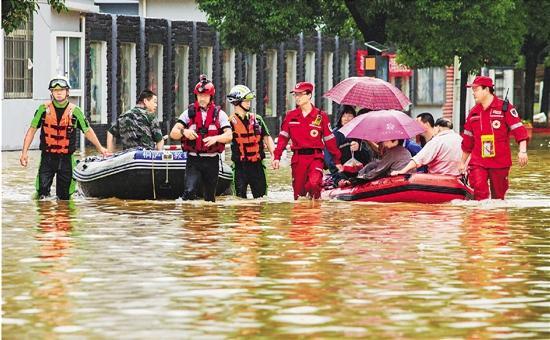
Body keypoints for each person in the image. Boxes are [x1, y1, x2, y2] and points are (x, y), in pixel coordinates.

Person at [19, 76, 108, 200]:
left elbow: (87, 131)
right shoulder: (43, 110)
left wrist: (100, 148)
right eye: (55, 90)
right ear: (52, 93)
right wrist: (24, 153)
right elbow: (32, 130)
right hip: (47, 158)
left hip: (66, 159)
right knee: (42, 193)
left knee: (64, 197)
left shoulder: (75, 111)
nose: (59, 93)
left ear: (67, 92)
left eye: (62, 90)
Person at [460, 75, 529, 200]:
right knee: (479, 192)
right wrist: (462, 162)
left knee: (498, 197)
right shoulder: (473, 112)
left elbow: (519, 130)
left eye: (476, 89)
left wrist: (522, 151)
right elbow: (468, 140)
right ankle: (479, 218)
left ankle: (496, 219)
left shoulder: (505, 108)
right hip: (478, 161)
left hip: (500, 161)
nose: (473, 93)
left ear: (486, 90)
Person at [272, 81, 343, 199]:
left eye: (300, 94)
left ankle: (315, 213)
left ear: (309, 95)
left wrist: (337, 160)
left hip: (315, 158)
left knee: (314, 184)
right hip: (298, 160)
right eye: (295, 95)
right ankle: (302, 216)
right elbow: (283, 138)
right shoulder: (290, 116)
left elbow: (329, 141)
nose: (297, 97)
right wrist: (276, 157)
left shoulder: (321, 116)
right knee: (299, 195)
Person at [169, 75, 232, 202]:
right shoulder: (188, 113)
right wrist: (184, 131)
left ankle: (207, 220)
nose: (202, 99)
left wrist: (216, 138)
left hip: (212, 161)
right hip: (194, 160)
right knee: (189, 192)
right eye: (199, 96)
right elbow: (173, 133)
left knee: (209, 198)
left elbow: (229, 135)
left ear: (210, 97)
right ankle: (189, 218)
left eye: (205, 96)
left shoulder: (220, 114)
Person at [227, 84, 275, 198]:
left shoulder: (257, 119)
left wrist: (275, 155)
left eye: (249, 100)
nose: (249, 103)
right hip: (239, 167)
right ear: (237, 102)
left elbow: (267, 138)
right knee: (239, 201)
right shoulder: (229, 122)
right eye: (246, 100)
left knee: (261, 199)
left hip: (257, 166)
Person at [391, 118, 463, 176]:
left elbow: (419, 159)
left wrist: (402, 171)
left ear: (437, 127)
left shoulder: (437, 140)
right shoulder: (460, 139)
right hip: (457, 181)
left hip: (439, 181)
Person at [325, 105, 374, 187]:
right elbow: (329, 158)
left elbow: (368, 158)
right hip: (341, 173)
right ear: (340, 118)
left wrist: (359, 148)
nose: (347, 118)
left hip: (359, 173)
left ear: (354, 118)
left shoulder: (359, 134)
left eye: (350, 115)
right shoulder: (334, 135)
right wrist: (339, 173)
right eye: (344, 116)